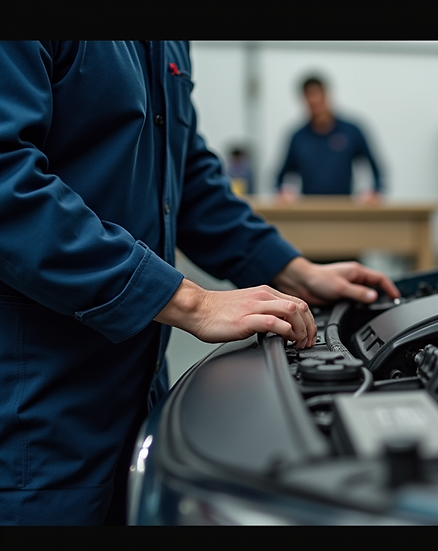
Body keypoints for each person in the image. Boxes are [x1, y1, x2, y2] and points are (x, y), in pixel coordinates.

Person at [0, 41, 400, 525]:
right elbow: (9, 183)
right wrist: (189, 301)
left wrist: (292, 268)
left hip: (140, 385)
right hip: (39, 403)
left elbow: (187, 174)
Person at [276, 75, 383, 203]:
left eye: (318, 99)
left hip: (344, 209)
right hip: (308, 210)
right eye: (311, 101)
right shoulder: (298, 137)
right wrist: (284, 193)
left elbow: (376, 169)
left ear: (327, 96)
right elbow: (280, 177)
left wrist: (375, 191)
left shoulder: (351, 131)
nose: (316, 106)